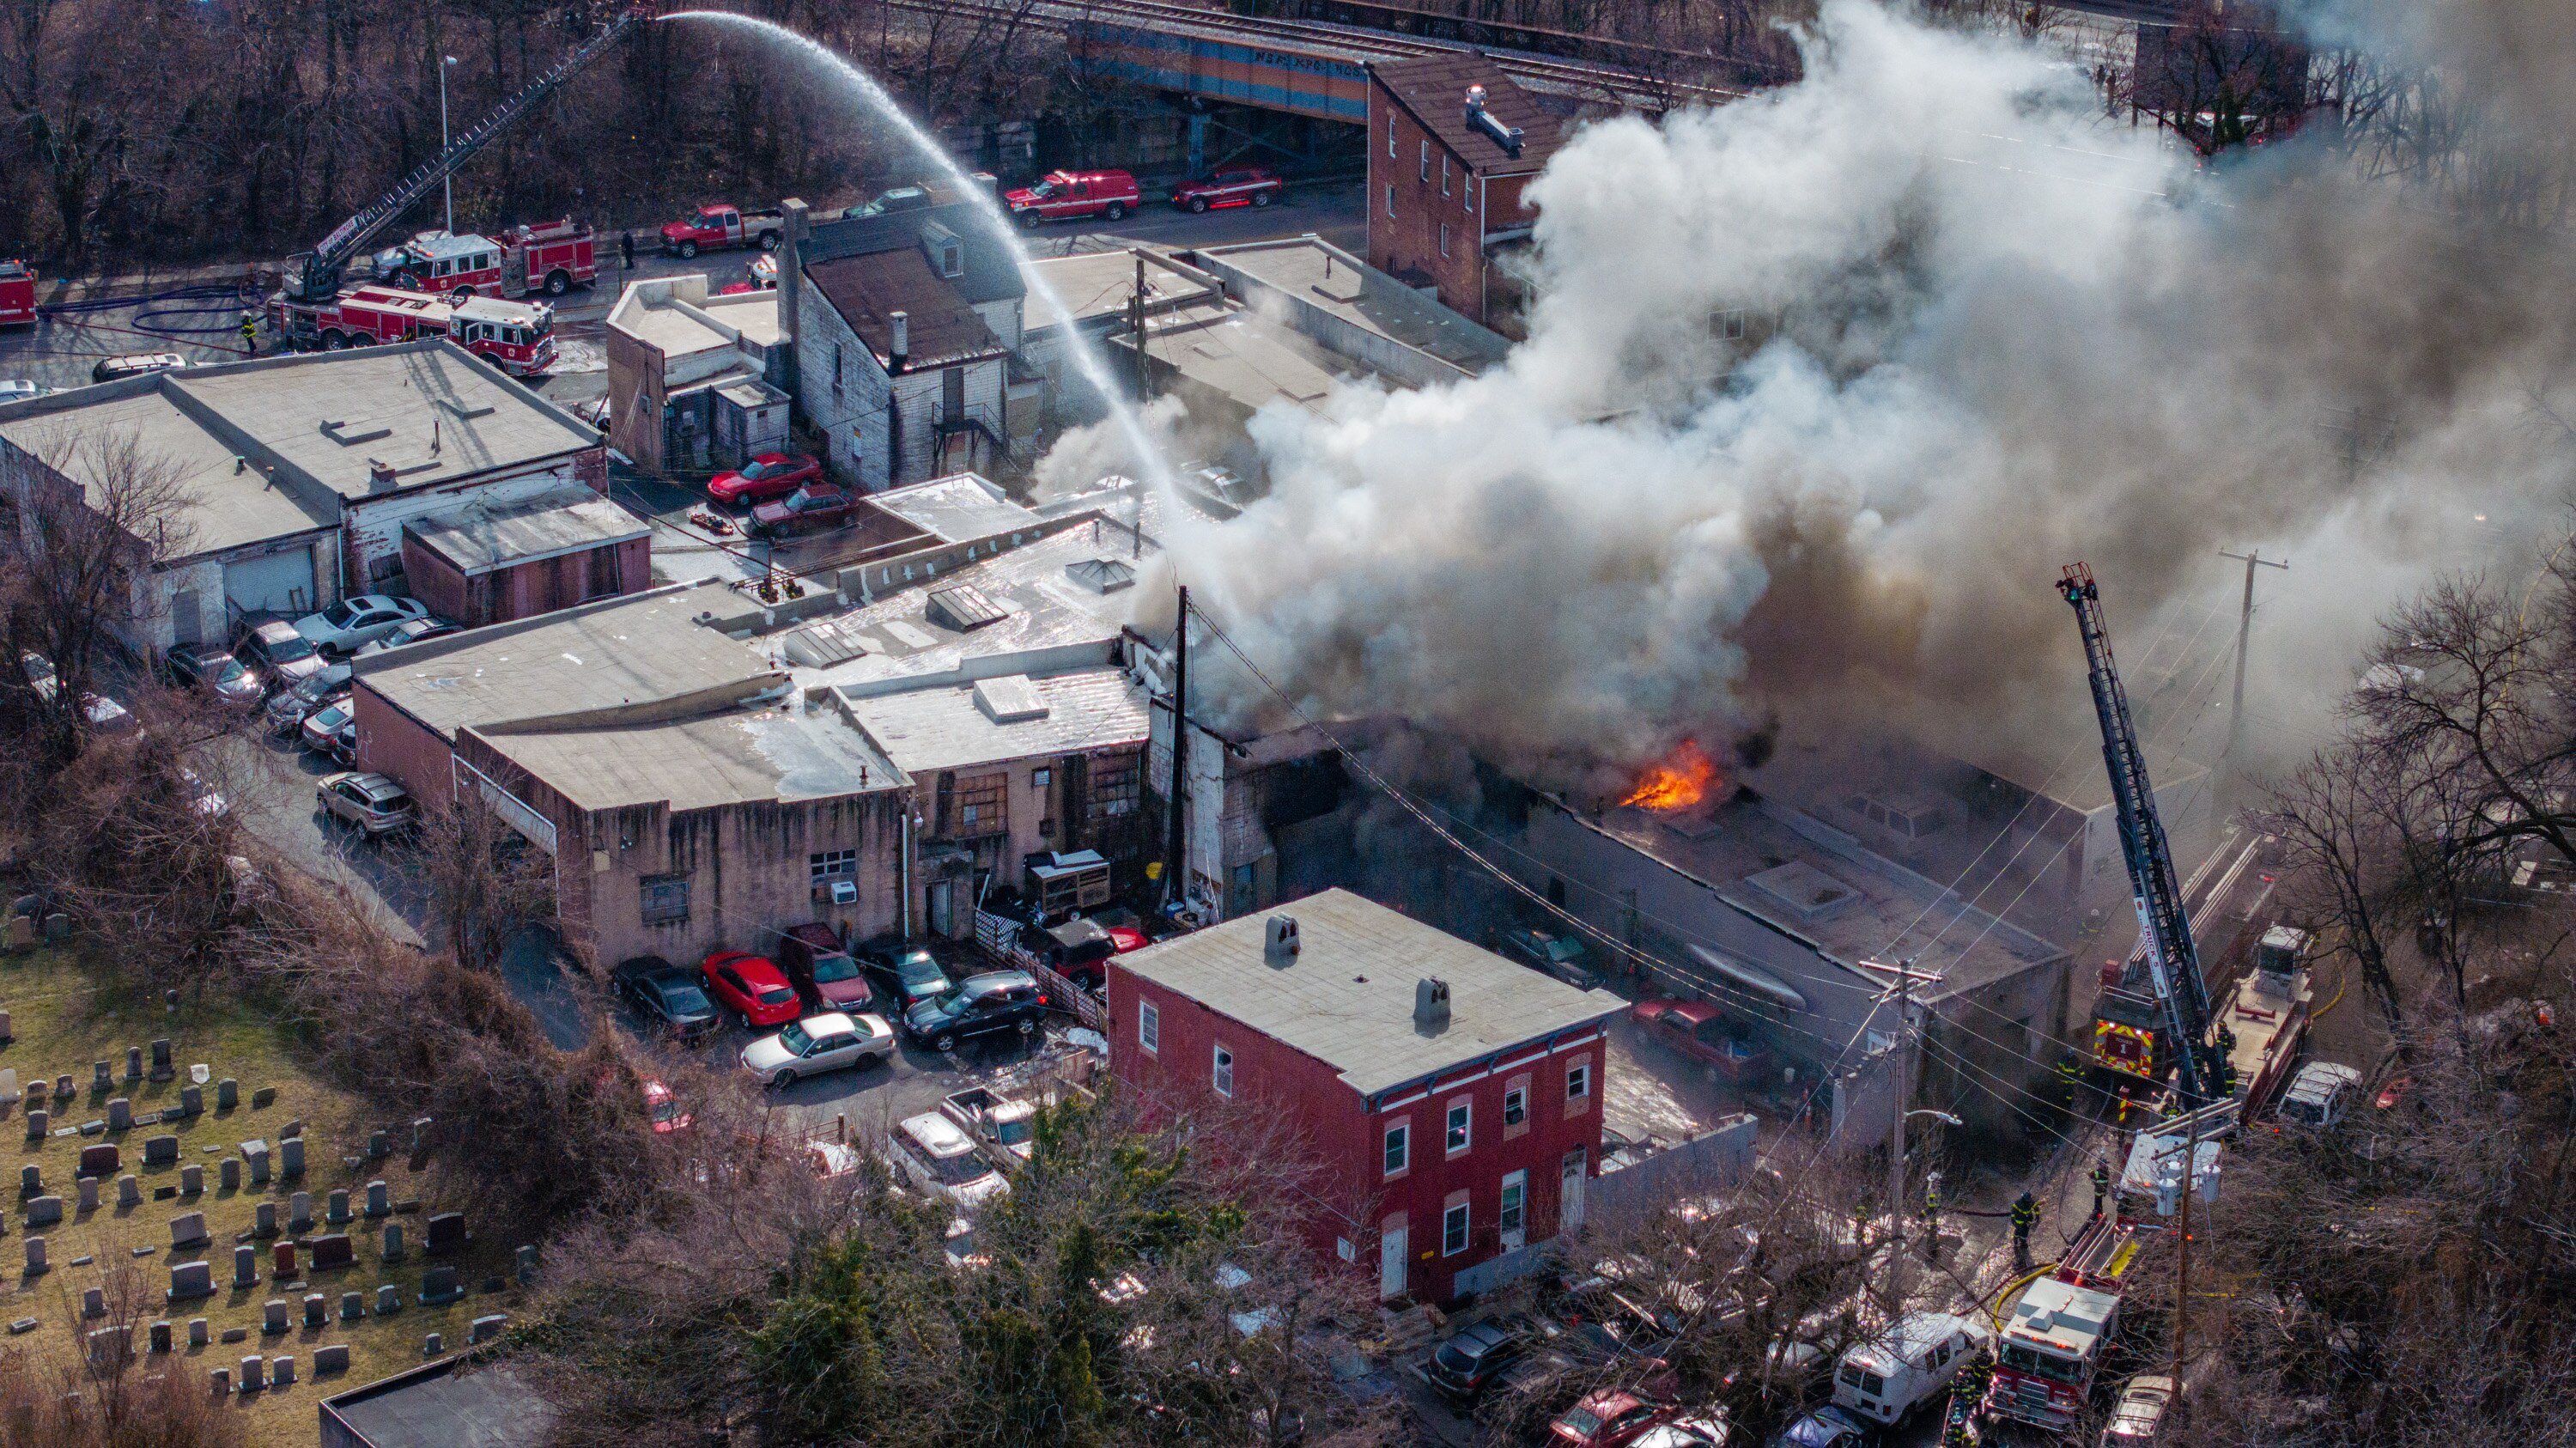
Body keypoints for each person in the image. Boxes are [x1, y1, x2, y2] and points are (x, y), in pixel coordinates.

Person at [2010, 1189, 2038, 1267]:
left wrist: (2037, 1215)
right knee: (2018, 1233)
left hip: (2027, 1221)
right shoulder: (2018, 1204)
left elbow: (2036, 1207)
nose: (2028, 1201)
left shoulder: (2030, 1202)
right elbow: (2013, 1214)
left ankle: (2023, 1243)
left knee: (2025, 1234)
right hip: (2019, 1222)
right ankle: (2016, 1240)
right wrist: (2014, 1222)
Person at [2090, 1153, 2112, 1218]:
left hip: (2098, 1190)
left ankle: (2097, 1213)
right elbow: (2106, 1182)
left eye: (2100, 1164)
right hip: (2103, 1190)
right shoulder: (2107, 1171)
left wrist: (2090, 1171)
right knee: (2100, 1202)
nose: (2099, 1165)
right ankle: (2099, 1212)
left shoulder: (2098, 1172)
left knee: (2097, 1203)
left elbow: (2093, 1178)